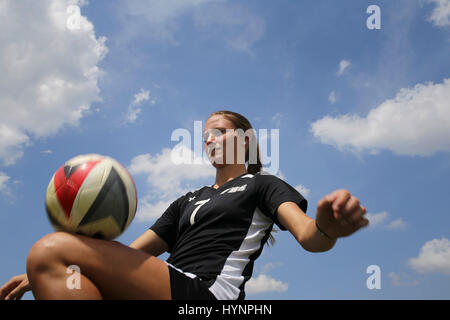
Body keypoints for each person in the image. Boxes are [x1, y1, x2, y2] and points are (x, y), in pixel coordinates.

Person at [0, 110, 368, 300]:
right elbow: (124, 256)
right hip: (172, 285)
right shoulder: (187, 200)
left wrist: (328, 229)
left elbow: (309, 236)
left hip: (209, 294)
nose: (210, 139)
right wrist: (42, 276)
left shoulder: (262, 185)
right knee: (61, 264)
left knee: (50, 249)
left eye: (220, 132)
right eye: (206, 135)